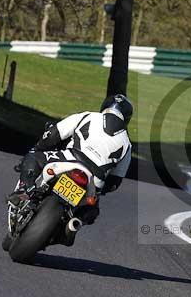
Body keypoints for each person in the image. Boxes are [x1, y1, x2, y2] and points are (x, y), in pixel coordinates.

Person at [8, 94, 133, 244]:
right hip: (94, 180)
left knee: (33, 157)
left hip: (69, 158)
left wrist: (39, 147)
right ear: (127, 118)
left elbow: (56, 133)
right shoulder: (127, 144)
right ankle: (73, 224)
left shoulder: (89, 116)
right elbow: (115, 182)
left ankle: (23, 191)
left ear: (104, 107)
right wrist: (101, 190)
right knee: (92, 209)